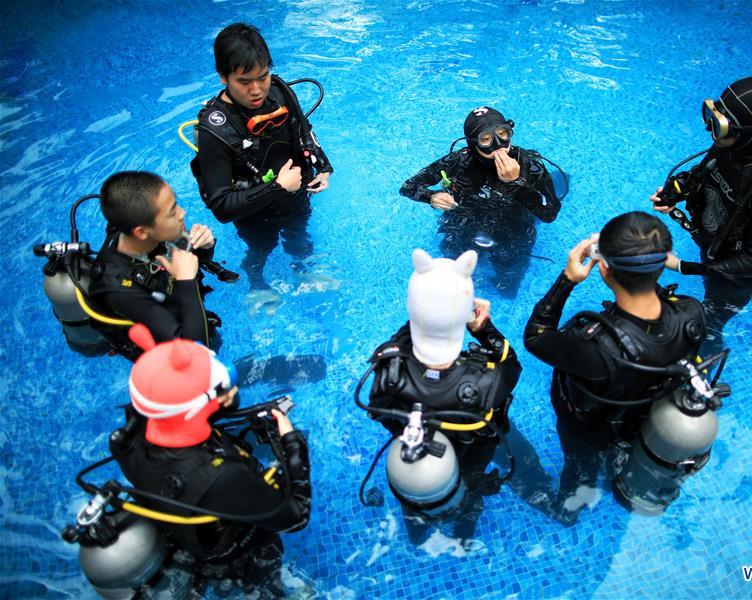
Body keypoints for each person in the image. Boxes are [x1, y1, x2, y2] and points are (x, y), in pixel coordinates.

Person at [523, 212, 706, 524]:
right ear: (663, 263)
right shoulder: (691, 314)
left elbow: (536, 337)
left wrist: (567, 279)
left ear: (602, 269)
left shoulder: (594, 348)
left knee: (579, 466)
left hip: (589, 430)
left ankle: (569, 509)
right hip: (644, 420)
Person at [113, 324, 311, 595]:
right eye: (224, 389)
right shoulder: (224, 476)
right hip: (232, 551)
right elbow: (296, 517)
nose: (232, 390)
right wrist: (293, 444)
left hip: (180, 523)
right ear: (197, 408)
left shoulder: (128, 435)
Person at [367, 249, 522, 548]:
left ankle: (417, 536)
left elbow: (381, 411)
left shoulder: (388, 373)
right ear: (463, 316)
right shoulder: (485, 381)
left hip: (416, 468)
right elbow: (512, 364)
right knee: (471, 495)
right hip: (472, 458)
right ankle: (464, 537)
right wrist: (484, 329)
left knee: (415, 501)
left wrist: (428, 309)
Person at [651, 75, 752, 354]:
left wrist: (684, 267)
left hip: (734, 279)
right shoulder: (729, 144)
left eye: (720, 124)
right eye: (712, 113)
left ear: (749, 130)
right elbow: (701, 173)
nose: (711, 128)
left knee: (707, 328)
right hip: (712, 244)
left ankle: (700, 382)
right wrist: (675, 191)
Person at [192, 23, 333, 293]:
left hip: (296, 191)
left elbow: (305, 133)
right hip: (254, 212)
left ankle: (304, 271)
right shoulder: (215, 131)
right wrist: (277, 187)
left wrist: (323, 167)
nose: (257, 90)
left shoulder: (278, 90)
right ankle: (257, 285)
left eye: (263, 76)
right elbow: (221, 207)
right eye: (244, 82)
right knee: (260, 250)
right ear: (223, 76)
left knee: (299, 236)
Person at [400, 107, 563, 298]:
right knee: (453, 278)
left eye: (503, 134)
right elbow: (408, 187)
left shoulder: (529, 166)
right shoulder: (458, 161)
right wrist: (430, 197)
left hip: (513, 227)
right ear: (472, 144)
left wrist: (517, 182)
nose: (498, 145)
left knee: (507, 287)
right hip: (464, 222)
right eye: (486, 139)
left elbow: (549, 213)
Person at [89, 171, 220, 360]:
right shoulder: (119, 289)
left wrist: (206, 245)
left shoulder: (145, 232)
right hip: (168, 353)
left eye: (176, 203)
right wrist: (186, 281)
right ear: (142, 232)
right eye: (172, 212)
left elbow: (196, 260)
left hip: (176, 309)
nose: (183, 213)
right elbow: (196, 354)